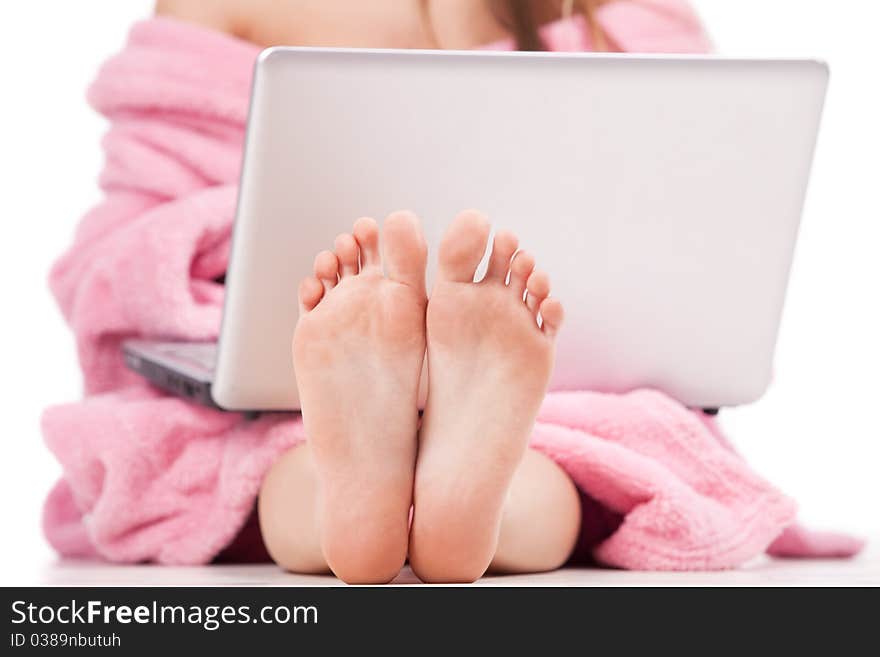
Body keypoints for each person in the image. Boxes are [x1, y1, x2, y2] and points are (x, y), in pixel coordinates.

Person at [139, 0, 706, 584]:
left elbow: (682, 217)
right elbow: (149, 244)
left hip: (547, 395)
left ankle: (367, 511)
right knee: (543, 482)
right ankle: (460, 513)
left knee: (299, 475)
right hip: (300, 398)